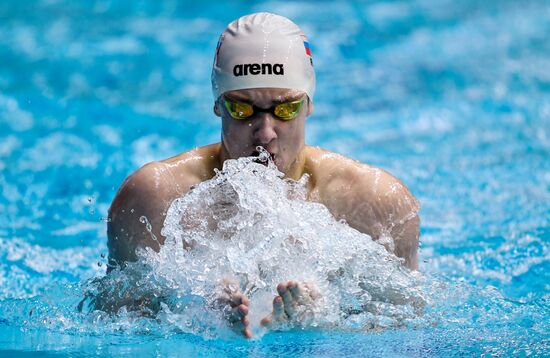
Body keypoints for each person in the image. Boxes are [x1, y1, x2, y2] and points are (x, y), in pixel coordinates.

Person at [106, 12, 420, 338]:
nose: (265, 133)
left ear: (308, 104)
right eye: (242, 109)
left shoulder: (375, 202)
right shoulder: (153, 199)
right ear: (218, 104)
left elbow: (407, 337)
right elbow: (114, 332)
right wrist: (195, 316)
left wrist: (321, 327)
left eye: (285, 109)